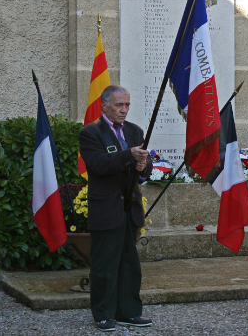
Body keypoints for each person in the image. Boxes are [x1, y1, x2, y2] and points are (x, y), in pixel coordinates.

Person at [79, 85, 153, 332]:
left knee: (129, 264)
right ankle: (103, 313)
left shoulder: (135, 131)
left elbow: (146, 166)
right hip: (107, 207)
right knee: (105, 265)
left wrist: (143, 165)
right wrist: (129, 156)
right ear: (104, 105)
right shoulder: (91, 133)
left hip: (130, 207)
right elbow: (98, 164)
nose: (124, 110)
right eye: (119, 105)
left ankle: (128, 312)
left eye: (127, 105)